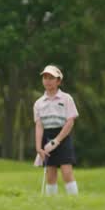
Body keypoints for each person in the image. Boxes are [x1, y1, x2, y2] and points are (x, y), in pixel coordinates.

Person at [34, 64, 79, 196]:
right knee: (50, 174)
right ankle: (51, 203)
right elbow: (39, 125)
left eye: (51, 78)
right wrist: (38, 147)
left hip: (63, 136)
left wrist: (57, 141)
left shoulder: (66, 98)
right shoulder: (39, 103)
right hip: (46, 137)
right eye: (45, 77)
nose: (47, 81)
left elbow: (70, 122)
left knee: (66, 172)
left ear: (58, 81)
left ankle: (74, 201)